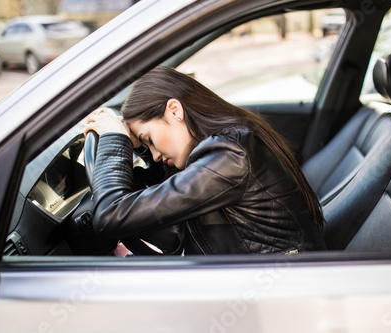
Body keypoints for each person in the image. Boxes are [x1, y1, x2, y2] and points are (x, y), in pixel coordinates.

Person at [85, 66, 326, 255]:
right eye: (145, 145)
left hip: (277, 296)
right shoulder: (230, 145)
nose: (155, 154)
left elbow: (111, 215)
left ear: (175, 110)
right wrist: (135, 143)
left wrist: (114, 140)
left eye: (149, 140)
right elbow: (166, 207)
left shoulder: (230, 158)